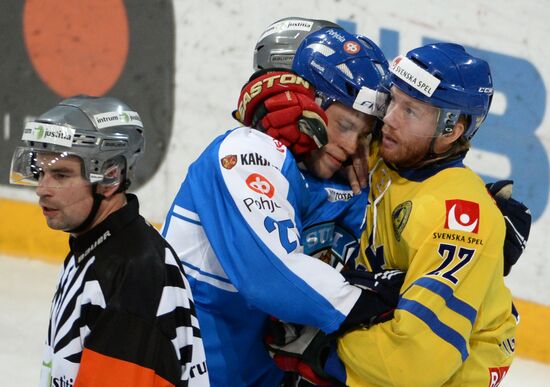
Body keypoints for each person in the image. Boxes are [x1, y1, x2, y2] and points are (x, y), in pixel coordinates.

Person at [271, 43, 526, 386]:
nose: (388, 119)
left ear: (451, 130)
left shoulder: (461, 218)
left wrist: (321, 350)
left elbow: (418, 361)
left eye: (411, 111)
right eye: (392, 99)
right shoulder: (381, 152)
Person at [161, 21, 399, 386]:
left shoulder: (347, 175)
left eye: (366, 134)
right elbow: (270, 277)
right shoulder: (246, 150)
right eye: (345, 125)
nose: (353, 146)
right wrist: (367, 305)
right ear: (309, 103)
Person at [9, 96, 209, 386]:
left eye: (61, 175)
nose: (42, 189)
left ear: (110, 177)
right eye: (40, 172)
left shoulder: (132, 274)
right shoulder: (92, 248)